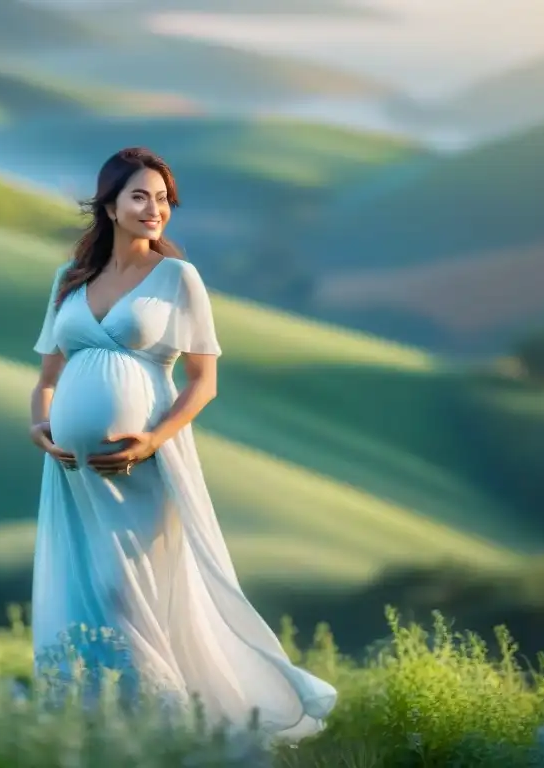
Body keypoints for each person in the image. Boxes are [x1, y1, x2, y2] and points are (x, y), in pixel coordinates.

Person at [28, 147, 337, 739]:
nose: (155, 209)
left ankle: (169, 729)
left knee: (126, 594)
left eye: (164, 199)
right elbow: (46, 382)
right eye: (141, 196)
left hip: (142, 466)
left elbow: (203, 382)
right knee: (85, 594)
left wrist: (150, 442)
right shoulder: (71, 281)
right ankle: (95, 728)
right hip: (72, 473)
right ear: (110, 205)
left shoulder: (177, 279)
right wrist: (40, 426)